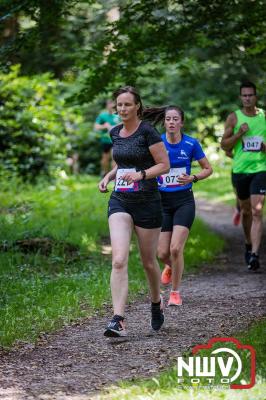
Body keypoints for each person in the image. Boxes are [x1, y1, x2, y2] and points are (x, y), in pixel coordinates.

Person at [98, 86, 170, 337]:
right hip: (121, 200)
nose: (123, 109)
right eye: (119, 105)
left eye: (127, 104)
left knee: (149, 262)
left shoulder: (148, 132)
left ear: (137, 106)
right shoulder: (115, 132)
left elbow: (164, 165)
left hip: (148, 202)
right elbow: (122, 160)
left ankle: (155, 302)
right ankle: (118, 319)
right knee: (118, 260)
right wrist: (109, 176)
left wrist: (141, 174)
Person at [143, 106, 212, 305]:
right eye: (168, 119)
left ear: (181, 122)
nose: (171, 122)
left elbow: (208, 168)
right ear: (164, 122)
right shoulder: (157, 143)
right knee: (162, 253)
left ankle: (175, 292)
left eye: (175, 119)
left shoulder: (191, 143)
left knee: (175, 249)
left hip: (184, 202)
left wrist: (193, 177)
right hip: (162, 203)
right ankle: (171, 267)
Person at [221, 81, 266, 270]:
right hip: (240, 171)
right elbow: (224, 145)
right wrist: (239, 133)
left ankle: (255, 254)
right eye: (244, 95)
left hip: (260, 169)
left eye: (250, 95)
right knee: (246, 211)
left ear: (256, 96)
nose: (247, 98)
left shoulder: (264, 117)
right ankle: (248, 244)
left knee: (257, 211)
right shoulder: (234, 118)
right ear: (241, 97)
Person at [94, 99, 120, 177]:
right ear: (107, 106)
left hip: (116, 140)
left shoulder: (118, 115)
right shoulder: (102, 115)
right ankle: (105, 173)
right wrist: (105, 126)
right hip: (105, 140)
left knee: (114, 157)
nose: (111, 106)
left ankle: (113, 176)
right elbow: (96, 127)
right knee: (105, 158)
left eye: (112, 105)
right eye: (109, 105)